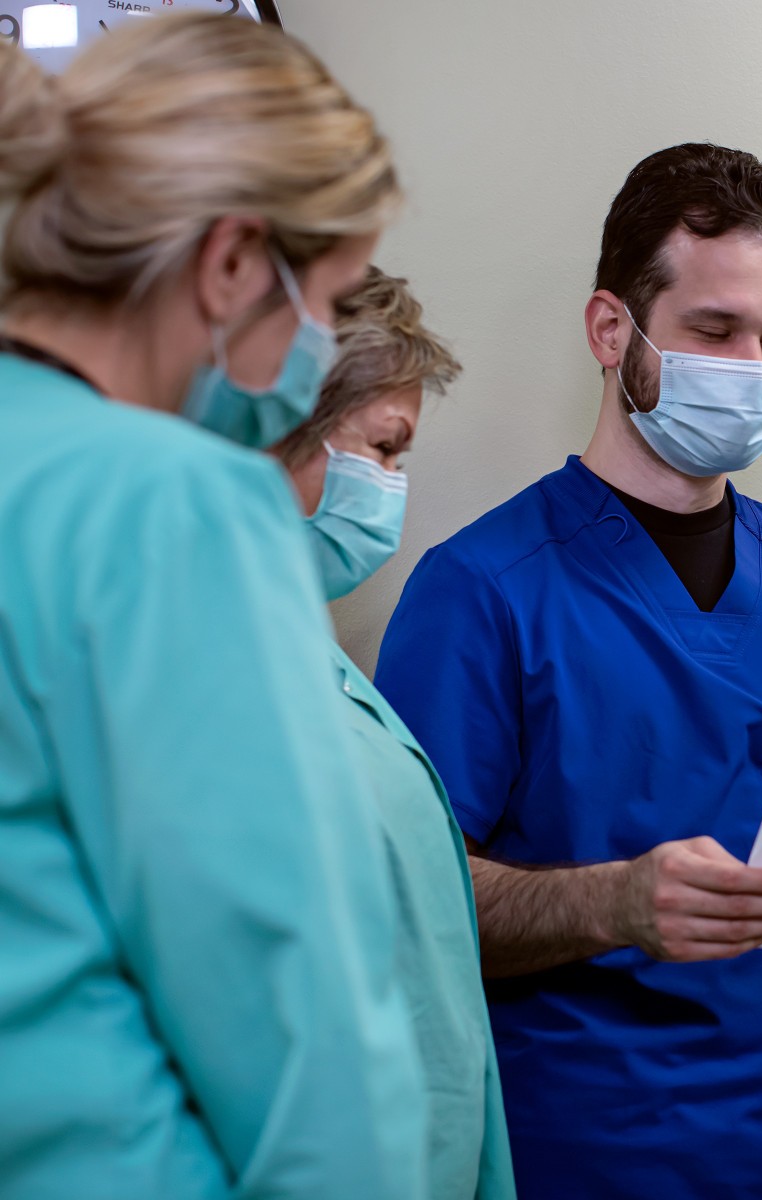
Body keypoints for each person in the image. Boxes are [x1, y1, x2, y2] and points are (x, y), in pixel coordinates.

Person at [373, 142, 762, 1200]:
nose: (751, 367)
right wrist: (613, 903)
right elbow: (406, 903)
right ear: (611, 330)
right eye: (714, 331)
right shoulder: (483, 589)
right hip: (601, 1155)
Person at [0, 16, 426, 1199]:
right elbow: (306, 1025)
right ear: (233, 260)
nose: (316, 351)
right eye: (325, 300)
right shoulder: (175, 504)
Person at [268, 268, 515, 1200]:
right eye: (382, 448)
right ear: (272, 428)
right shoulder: (198, 674)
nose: (389, 488)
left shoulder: (315, 664)